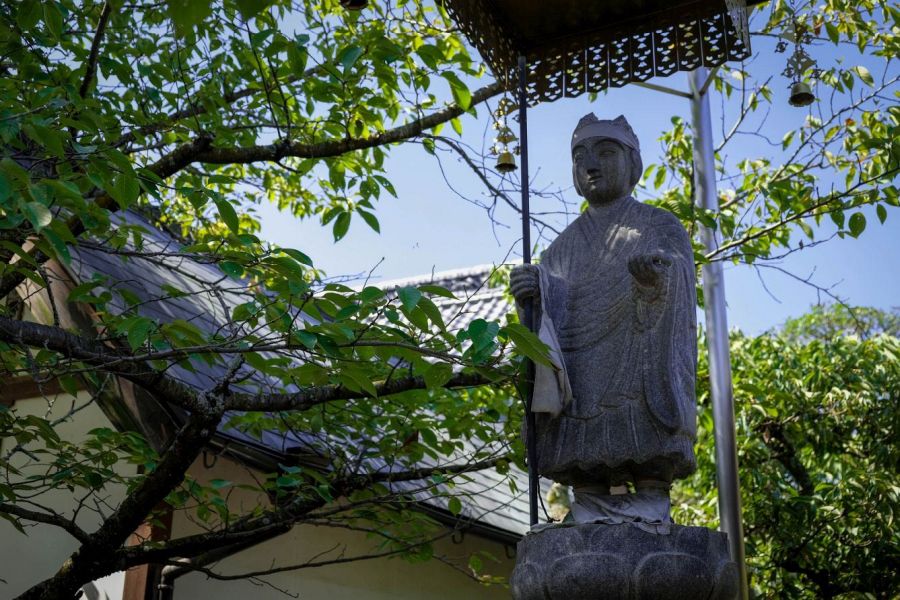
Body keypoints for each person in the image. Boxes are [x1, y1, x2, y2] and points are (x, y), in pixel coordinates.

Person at [509, 114, 697, 529]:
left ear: (633, 165)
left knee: (641, 427)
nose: (591, 165)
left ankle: (651, 491)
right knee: (582, 440)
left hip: (636, 357)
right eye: (580, 157)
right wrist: (533, 296)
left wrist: (656, 278)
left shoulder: (659, 225)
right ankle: (588, 494)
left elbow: (678, 276)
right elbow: (546, 326)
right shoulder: (559, 249)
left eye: (606, 153)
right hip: (581, 370)